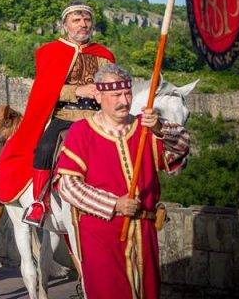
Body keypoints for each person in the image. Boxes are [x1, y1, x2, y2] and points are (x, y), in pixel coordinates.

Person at [54, 64, 190, 298]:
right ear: (99, 95)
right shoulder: (82, 132)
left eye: (127, 93)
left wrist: (159, 127)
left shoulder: (144, 128)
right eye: (116, 95)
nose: (124, 101)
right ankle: (37, 203)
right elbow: (68, 186)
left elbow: (180, 149)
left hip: (144, 233)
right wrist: (114, 204)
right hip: (102, 236)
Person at [0, 1, 116, 226]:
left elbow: (115, 85)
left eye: (87, 20)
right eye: (76, 20)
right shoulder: (50, 52)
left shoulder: (104, 56)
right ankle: (40, 203)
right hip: (65, 118)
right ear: (65, 25)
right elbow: (45, 90)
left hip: (98, 119)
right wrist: (78, 90)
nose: (83, 25)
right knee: (44, 147)